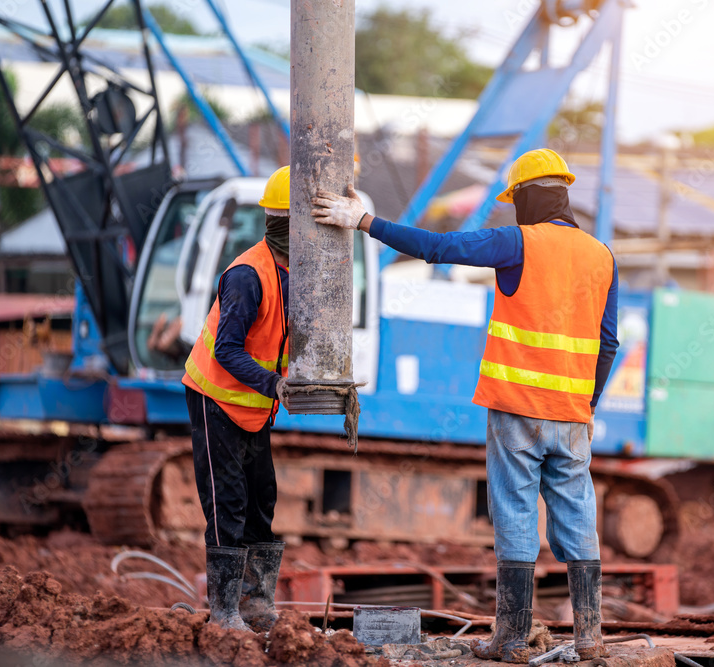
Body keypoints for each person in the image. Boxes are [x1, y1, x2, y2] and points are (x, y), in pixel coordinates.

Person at [311, 148, 619, 663]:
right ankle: (589, 636)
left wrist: (363, 220)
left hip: (517, 407)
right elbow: (607, 344)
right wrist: (587, 406)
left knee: (516, 513)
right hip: (572, 415)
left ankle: (511, 639)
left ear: (524, 197)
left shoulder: (517, 241)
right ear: (563, 193)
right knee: (577, 514)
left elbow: (437, 247)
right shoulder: (602, 255)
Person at [182, 166, 293, 632]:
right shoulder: (249, 274)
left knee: (261, 498)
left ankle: (256, 605)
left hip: (253, 408)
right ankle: (225, 612)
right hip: (216, 399)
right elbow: (226, 350)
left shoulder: (299, 274)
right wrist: (275, 385)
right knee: (227, 501)